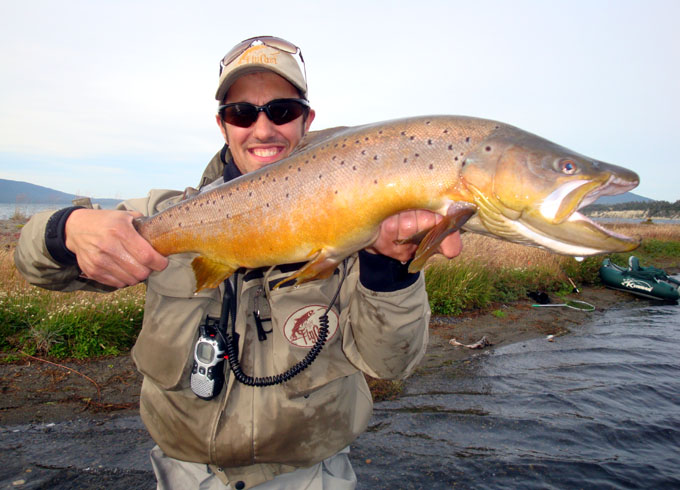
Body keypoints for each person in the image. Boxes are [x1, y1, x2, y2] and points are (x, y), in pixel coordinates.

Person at [14, 36, 462, 489]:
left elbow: (391, 364)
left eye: (282, 110)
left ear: (307, 120)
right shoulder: (164, 213)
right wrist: (65, 228)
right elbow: (34, 264)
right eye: (242, 113)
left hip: (312, 477)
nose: (263, 129)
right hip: (185, 476)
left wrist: (390, 268)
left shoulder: (354, 232)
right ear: (222, 125)